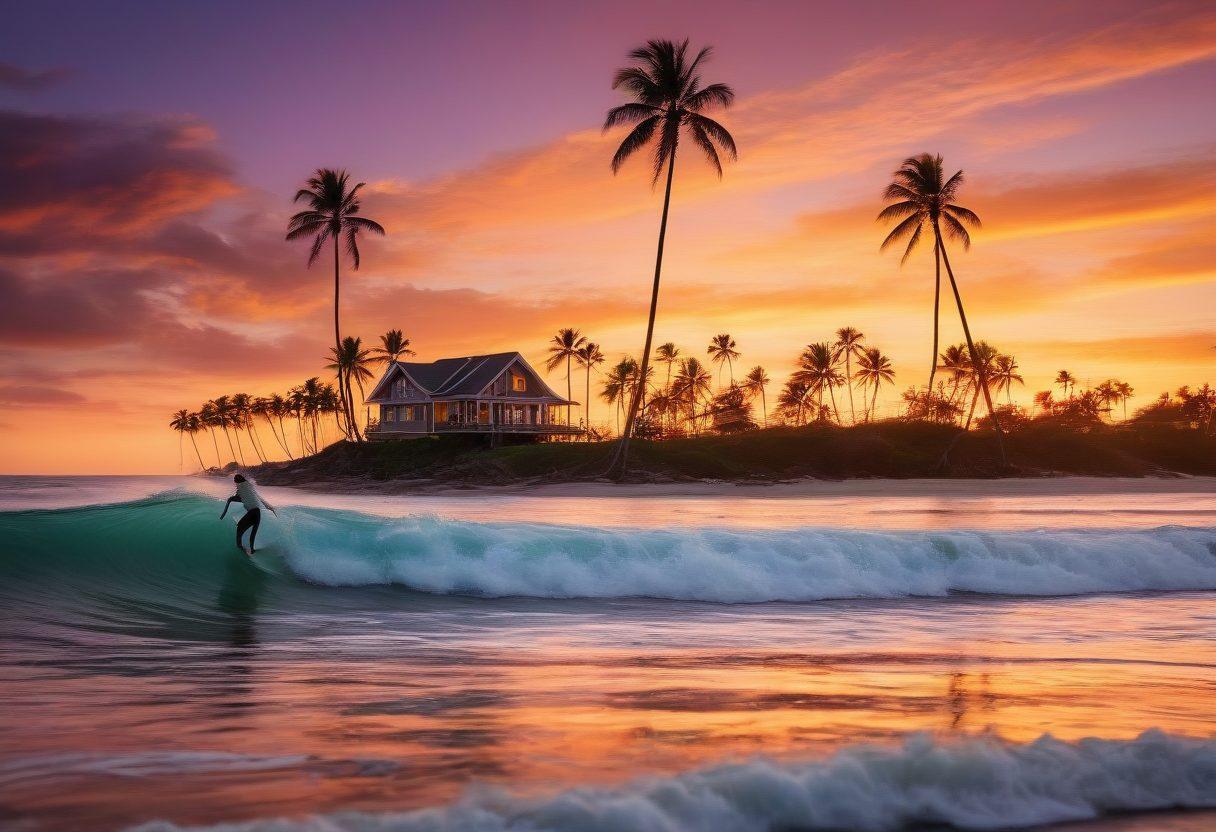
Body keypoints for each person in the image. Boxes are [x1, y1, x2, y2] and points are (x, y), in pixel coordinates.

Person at [220, 474, 277, 555]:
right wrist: (270, 507)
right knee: (253, 533)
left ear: (237, 481)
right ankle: (252, 549)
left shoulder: (240, 488)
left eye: (235, 481)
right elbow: (255, 498)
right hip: (257, 513)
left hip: (252, 513)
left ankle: (240, 547)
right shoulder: (250, 486)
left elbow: (239, 498)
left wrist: (230, 499)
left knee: (239, 528)